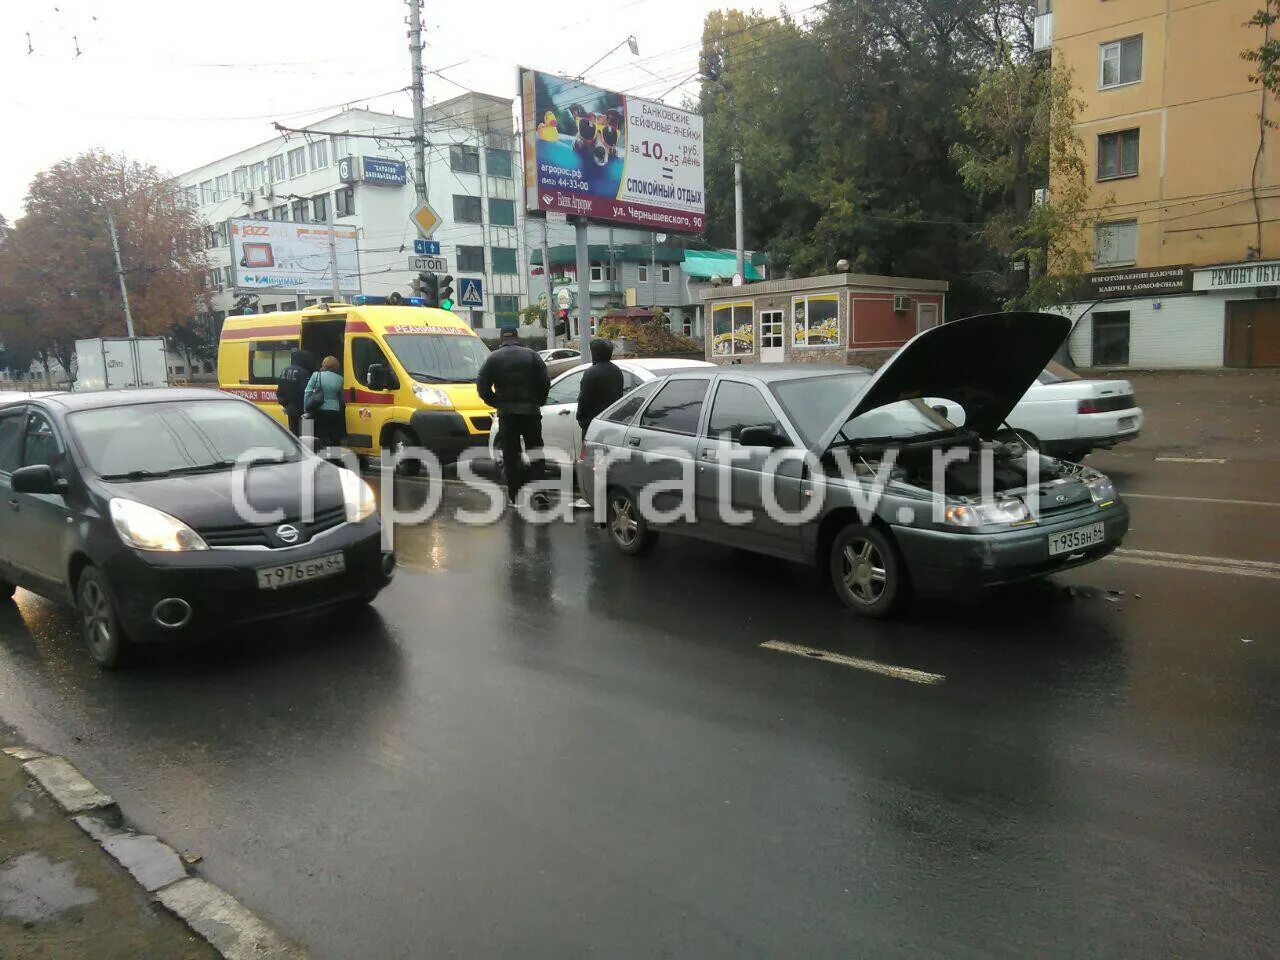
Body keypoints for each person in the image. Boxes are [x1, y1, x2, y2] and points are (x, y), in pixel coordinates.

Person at [477, 328, 550, 506]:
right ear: (517, 337)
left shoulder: (493, 359)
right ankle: (540, 491)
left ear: (502, 338)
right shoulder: (532, 356)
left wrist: (497, 403)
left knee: (511, 455)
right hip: (531, 412)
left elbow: (482, 387)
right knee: (535, 451)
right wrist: (538, 401)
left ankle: (515, 496)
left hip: (507, 414)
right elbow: (544, 383)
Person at [576, 338, 625, 436]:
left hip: (593, 424)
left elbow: (584, 399)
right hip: (612, 423)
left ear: (595, 353)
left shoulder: (591, 373)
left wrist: (582, 420)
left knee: (591, 451)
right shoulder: (617, 371)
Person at [303, 355, 345, 450]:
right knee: (334, 436)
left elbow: (307, 392)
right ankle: (335, 457)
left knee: (320, 436)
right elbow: (342, 397)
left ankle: (321, 456)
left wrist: (306, 409)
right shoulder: (340, 378)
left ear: (324, 364)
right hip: (335, 410)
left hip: (319, 409)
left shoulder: (316, 375)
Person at [275, 348, 315, 436]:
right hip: (302, 409)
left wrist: (286, 405)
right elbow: (306, 392)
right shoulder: (304, 372)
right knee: (306, 435)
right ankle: (305, 449)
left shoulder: (284, 371)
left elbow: (279, 392)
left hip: (290, 408)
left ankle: (295, 449)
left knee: (294, 434)